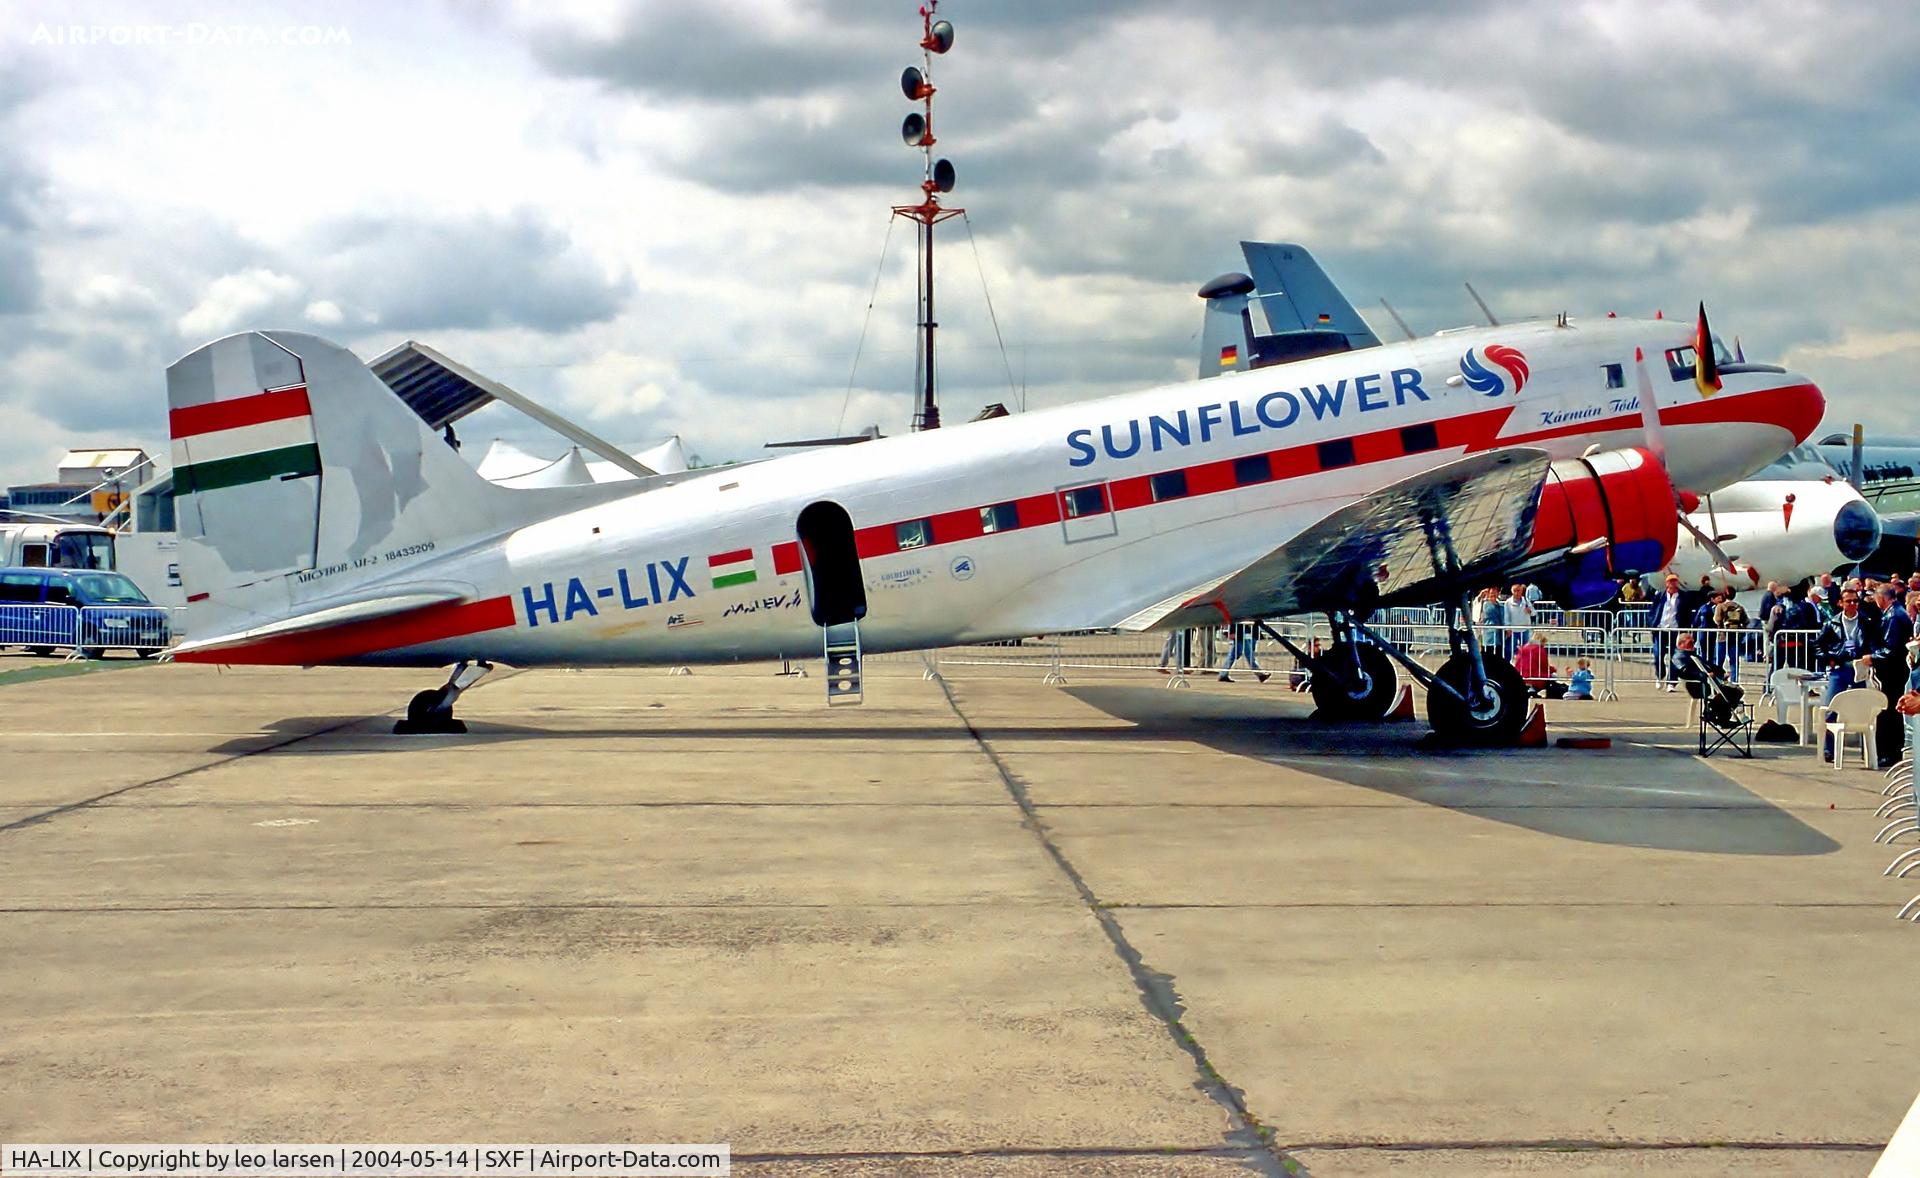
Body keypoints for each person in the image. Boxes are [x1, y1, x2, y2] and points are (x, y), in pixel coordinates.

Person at [1815, 587, 1878, 761]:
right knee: (1831, 708)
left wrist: (1870, 656)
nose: (1852, 604)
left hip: (1859, 668)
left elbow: (1874, 643)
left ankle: (1865, 750)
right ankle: (1829, 749)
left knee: (1862, 710)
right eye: (1848, 601)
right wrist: (1830, 659)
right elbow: (1818, 646)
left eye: (1855, 601)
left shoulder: (1866, 622)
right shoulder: (1831, 623)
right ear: (1841, 603)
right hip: (1839, 668)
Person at [1673, 633, 1745, 724]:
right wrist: (1704, 675)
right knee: (1732, 692)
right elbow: (1685, 672)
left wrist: (1722, 673)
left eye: (1693, 642)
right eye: (1690, 643)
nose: (1693, 644)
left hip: (1708, 683)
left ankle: (1721, 714)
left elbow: (1709, 665)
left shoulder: (1692, 654)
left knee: (1736, 691)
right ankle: (1716, 713)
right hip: (1696, 686)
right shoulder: (1679, 657)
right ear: (1681, 644)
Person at [1652, 573, 1688, 691]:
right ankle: (1659, 675)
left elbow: (1686, 613)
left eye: (1674, 581)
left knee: (1675, 657)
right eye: (1670, 581)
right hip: (1661, 629)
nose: (1672, 583)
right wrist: (1652, 623)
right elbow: (1653, 610)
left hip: (1675, 630)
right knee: (1658, 655)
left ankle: (1671, 682)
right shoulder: (1660, 595)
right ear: (1666, 583)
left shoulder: (1683, 596)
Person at [1502, 583, 1534, 660]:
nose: (1516, 593)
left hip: (1525, 629)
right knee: (1509, 650)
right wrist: (1508, 628)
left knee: (1526, 649)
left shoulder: (1526, 601)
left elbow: (1534, 612)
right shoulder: (1508, 602)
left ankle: (1525, 666)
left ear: (1521, 591)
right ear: (1512, 592)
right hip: (1513, 630)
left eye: (1518, 590)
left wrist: (1530, 611)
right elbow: (1506, 616)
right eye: (1515, 591)